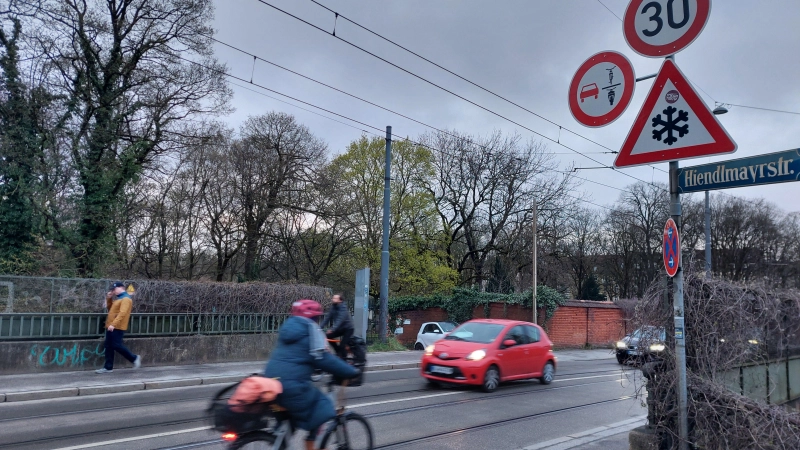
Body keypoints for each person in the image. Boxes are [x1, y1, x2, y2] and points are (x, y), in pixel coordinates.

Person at [265, 299, 360, 450]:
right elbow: (324, 359)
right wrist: (350, 371)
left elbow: (295, 358)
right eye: (317, 318)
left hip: (270, 384)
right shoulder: (310, 331)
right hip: (291, 387)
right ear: (313, 318)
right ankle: (310, 443)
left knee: (289, 422)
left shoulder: (288, 329)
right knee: (323, 406)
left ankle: (275, 441)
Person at [95, 282, 141, 374]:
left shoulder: (126, 299)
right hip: (111, 326)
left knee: (116, 345)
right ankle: (108, 367)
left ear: (121, 288)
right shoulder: (119, 299)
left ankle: (134, 358)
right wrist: (109, 298)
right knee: (108, 346)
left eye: (114, 289)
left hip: (117, 327)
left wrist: (114, 324)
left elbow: (122, 313)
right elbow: (110, 308)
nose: (113, 291)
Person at [321, 294, 354, 360]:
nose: (333, 299)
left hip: (348, 328)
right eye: (333, 298)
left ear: (340, 300)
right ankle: (338, 352)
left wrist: (332, 329)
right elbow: (327, 318)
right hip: (340, 328)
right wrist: (319, 327)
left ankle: (344, 360)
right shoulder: (333, 307)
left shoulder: (343, 308)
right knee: (328, 336)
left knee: (342, 345)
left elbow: (340, 320)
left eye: (335, 298)